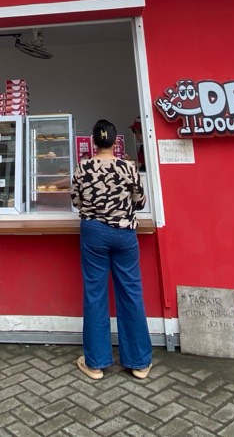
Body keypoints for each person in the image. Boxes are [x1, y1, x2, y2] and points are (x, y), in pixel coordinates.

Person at [71, 118, 153, 380]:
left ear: (94, 142)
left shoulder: (82, 167)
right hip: (124, 233)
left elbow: (76, 201)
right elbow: (139, 202)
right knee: (131, 292)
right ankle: (139, 363)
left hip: (94, 233)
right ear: (115, 141)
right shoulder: (128, 167)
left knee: (95, 294)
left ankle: (95, 364)